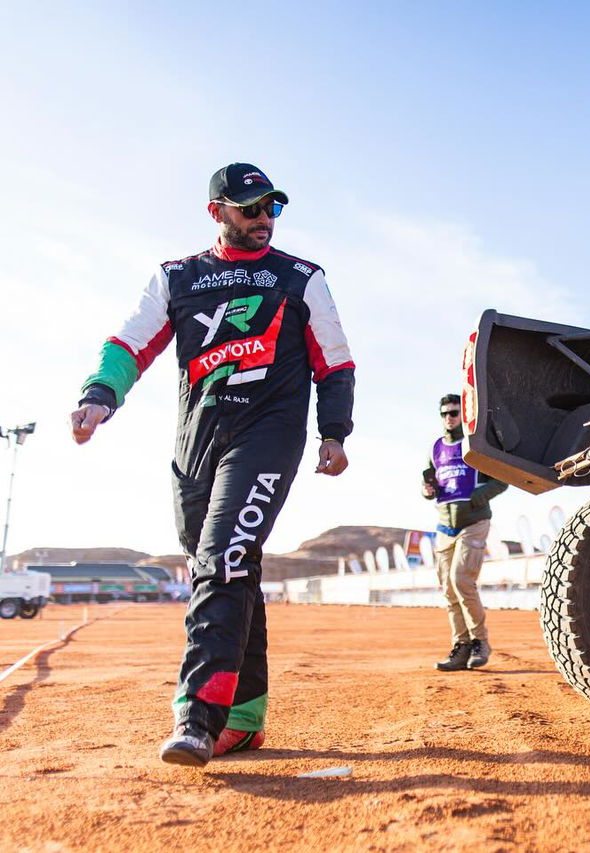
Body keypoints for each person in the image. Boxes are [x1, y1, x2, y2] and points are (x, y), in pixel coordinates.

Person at [68, 163, 355, 767]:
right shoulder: (176, 276)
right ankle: (244, 722)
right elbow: (129, 343)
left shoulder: (301, 277)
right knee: (228, 569)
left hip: (268, 434)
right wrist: (100, 395)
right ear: (216, 212)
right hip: (196, 443)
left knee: (222, 557)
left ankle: (197, 716)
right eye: (250, 208)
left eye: (271, 208)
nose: (264, 219)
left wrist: (334, 431)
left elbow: (334, 360)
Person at [423, 395, 507, 671]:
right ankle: (461, 647)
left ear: (463, 413)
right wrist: (427, 490)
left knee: (461, 580)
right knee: (448, 588)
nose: (450, 417)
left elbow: (502, 479)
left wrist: (475, 498)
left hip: (473, 522)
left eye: (454, 412)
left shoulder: (475, 442)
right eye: (445, 413)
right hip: (444, 526)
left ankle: (480, 641)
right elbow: (429, 482)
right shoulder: (435, 448)